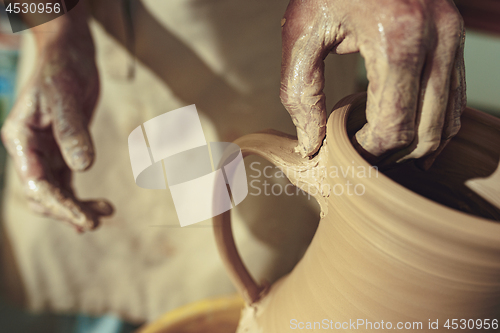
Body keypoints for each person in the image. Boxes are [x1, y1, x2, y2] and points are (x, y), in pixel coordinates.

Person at [0, 0, 465, 329]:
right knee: (104, 268)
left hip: (260, 43)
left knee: (286, 281)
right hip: (93, 53)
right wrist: (56, 34)